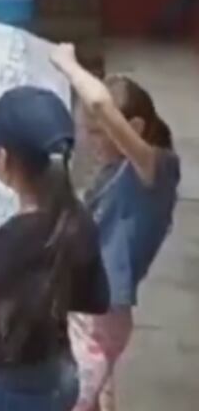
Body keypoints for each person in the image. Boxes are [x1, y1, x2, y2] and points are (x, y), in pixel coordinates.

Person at [0, 86, 109, 411]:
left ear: (2, 157)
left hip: (11, 390)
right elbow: (96, 299)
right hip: (59, 374)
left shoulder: (13, 239)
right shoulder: (78, 220)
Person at [51, 46, 180, 411]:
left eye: (98, 133)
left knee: (70, 397)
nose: (91, 142)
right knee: (96, 396)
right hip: (85, 303)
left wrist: (69, 66)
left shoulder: (154, 170)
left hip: (101, 315)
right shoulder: (114, 170)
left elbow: (100, 106)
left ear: (133, 128)